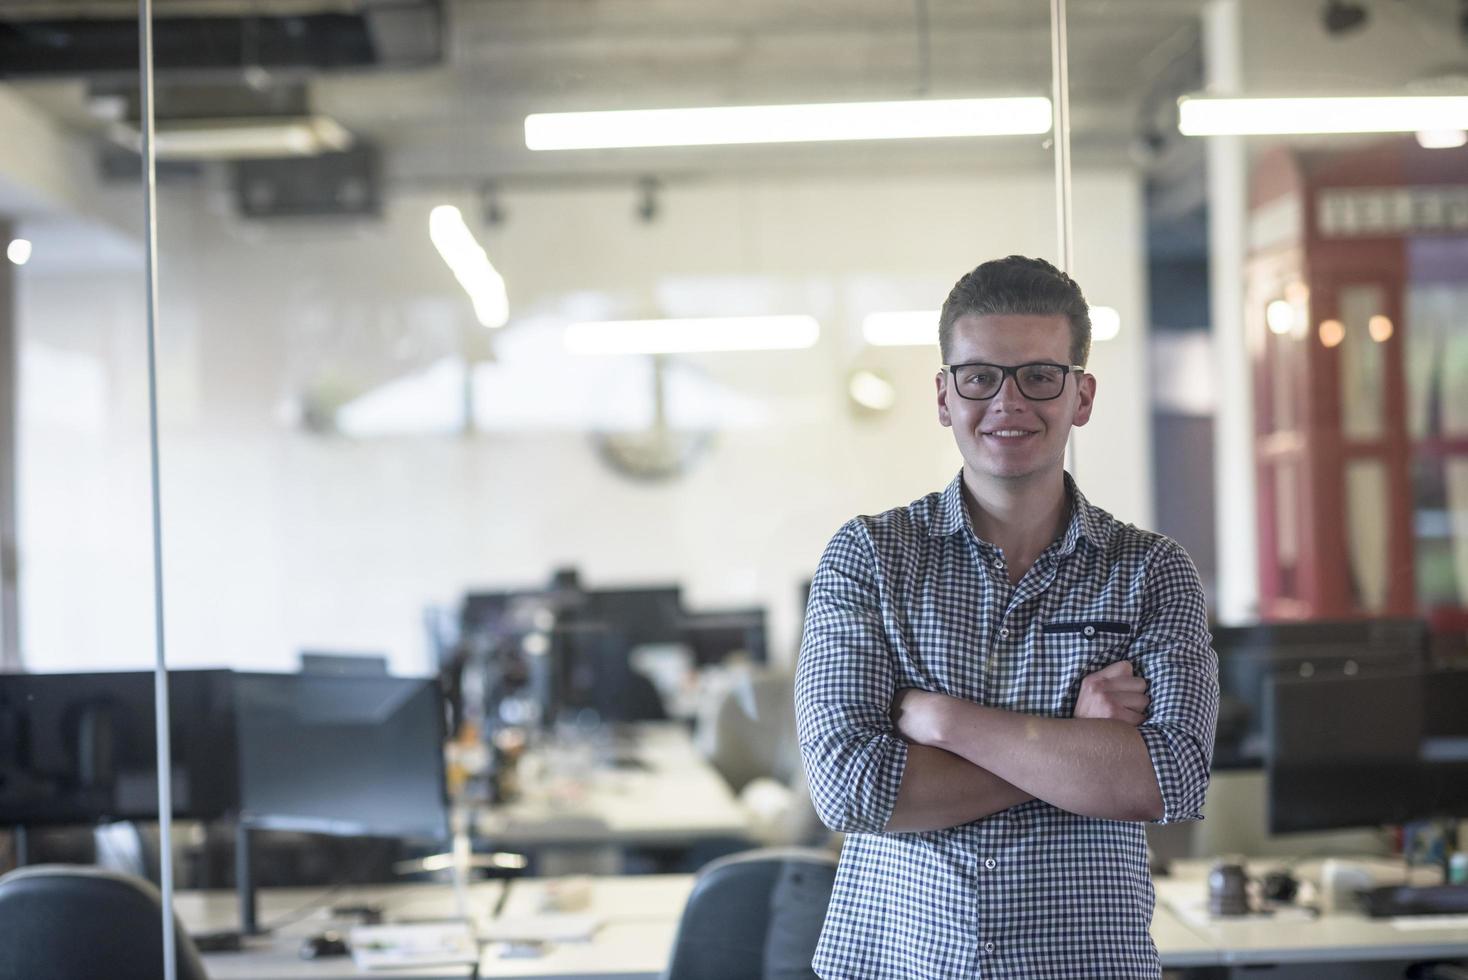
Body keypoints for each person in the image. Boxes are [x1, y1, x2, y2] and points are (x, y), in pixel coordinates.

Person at [794, 255, 1219, 979]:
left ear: (1081, 395)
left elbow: (1169, 781)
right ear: (943, 395)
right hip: (904, 964)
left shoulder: (1151, 572)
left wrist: (948, 723)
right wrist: (1080, 748)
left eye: (1040, 376)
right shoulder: (868, 558)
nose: (1008, 401)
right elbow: (848, 788)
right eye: (980, 376)